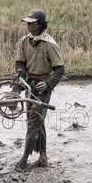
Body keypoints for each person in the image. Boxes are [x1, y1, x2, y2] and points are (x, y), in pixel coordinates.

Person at [14, 9, 64, 170]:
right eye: (27, 22)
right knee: (38, 123)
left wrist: (49, 84)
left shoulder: (49, 44)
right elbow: (20, 63)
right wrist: (20, 75)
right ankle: (43, 158)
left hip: (42, 87)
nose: (28, 25)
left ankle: (24, 159)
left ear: (41, 24)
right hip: (29, 85)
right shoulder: (23, 41)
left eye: (32, 22)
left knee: (33, 123)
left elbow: (60, 69)